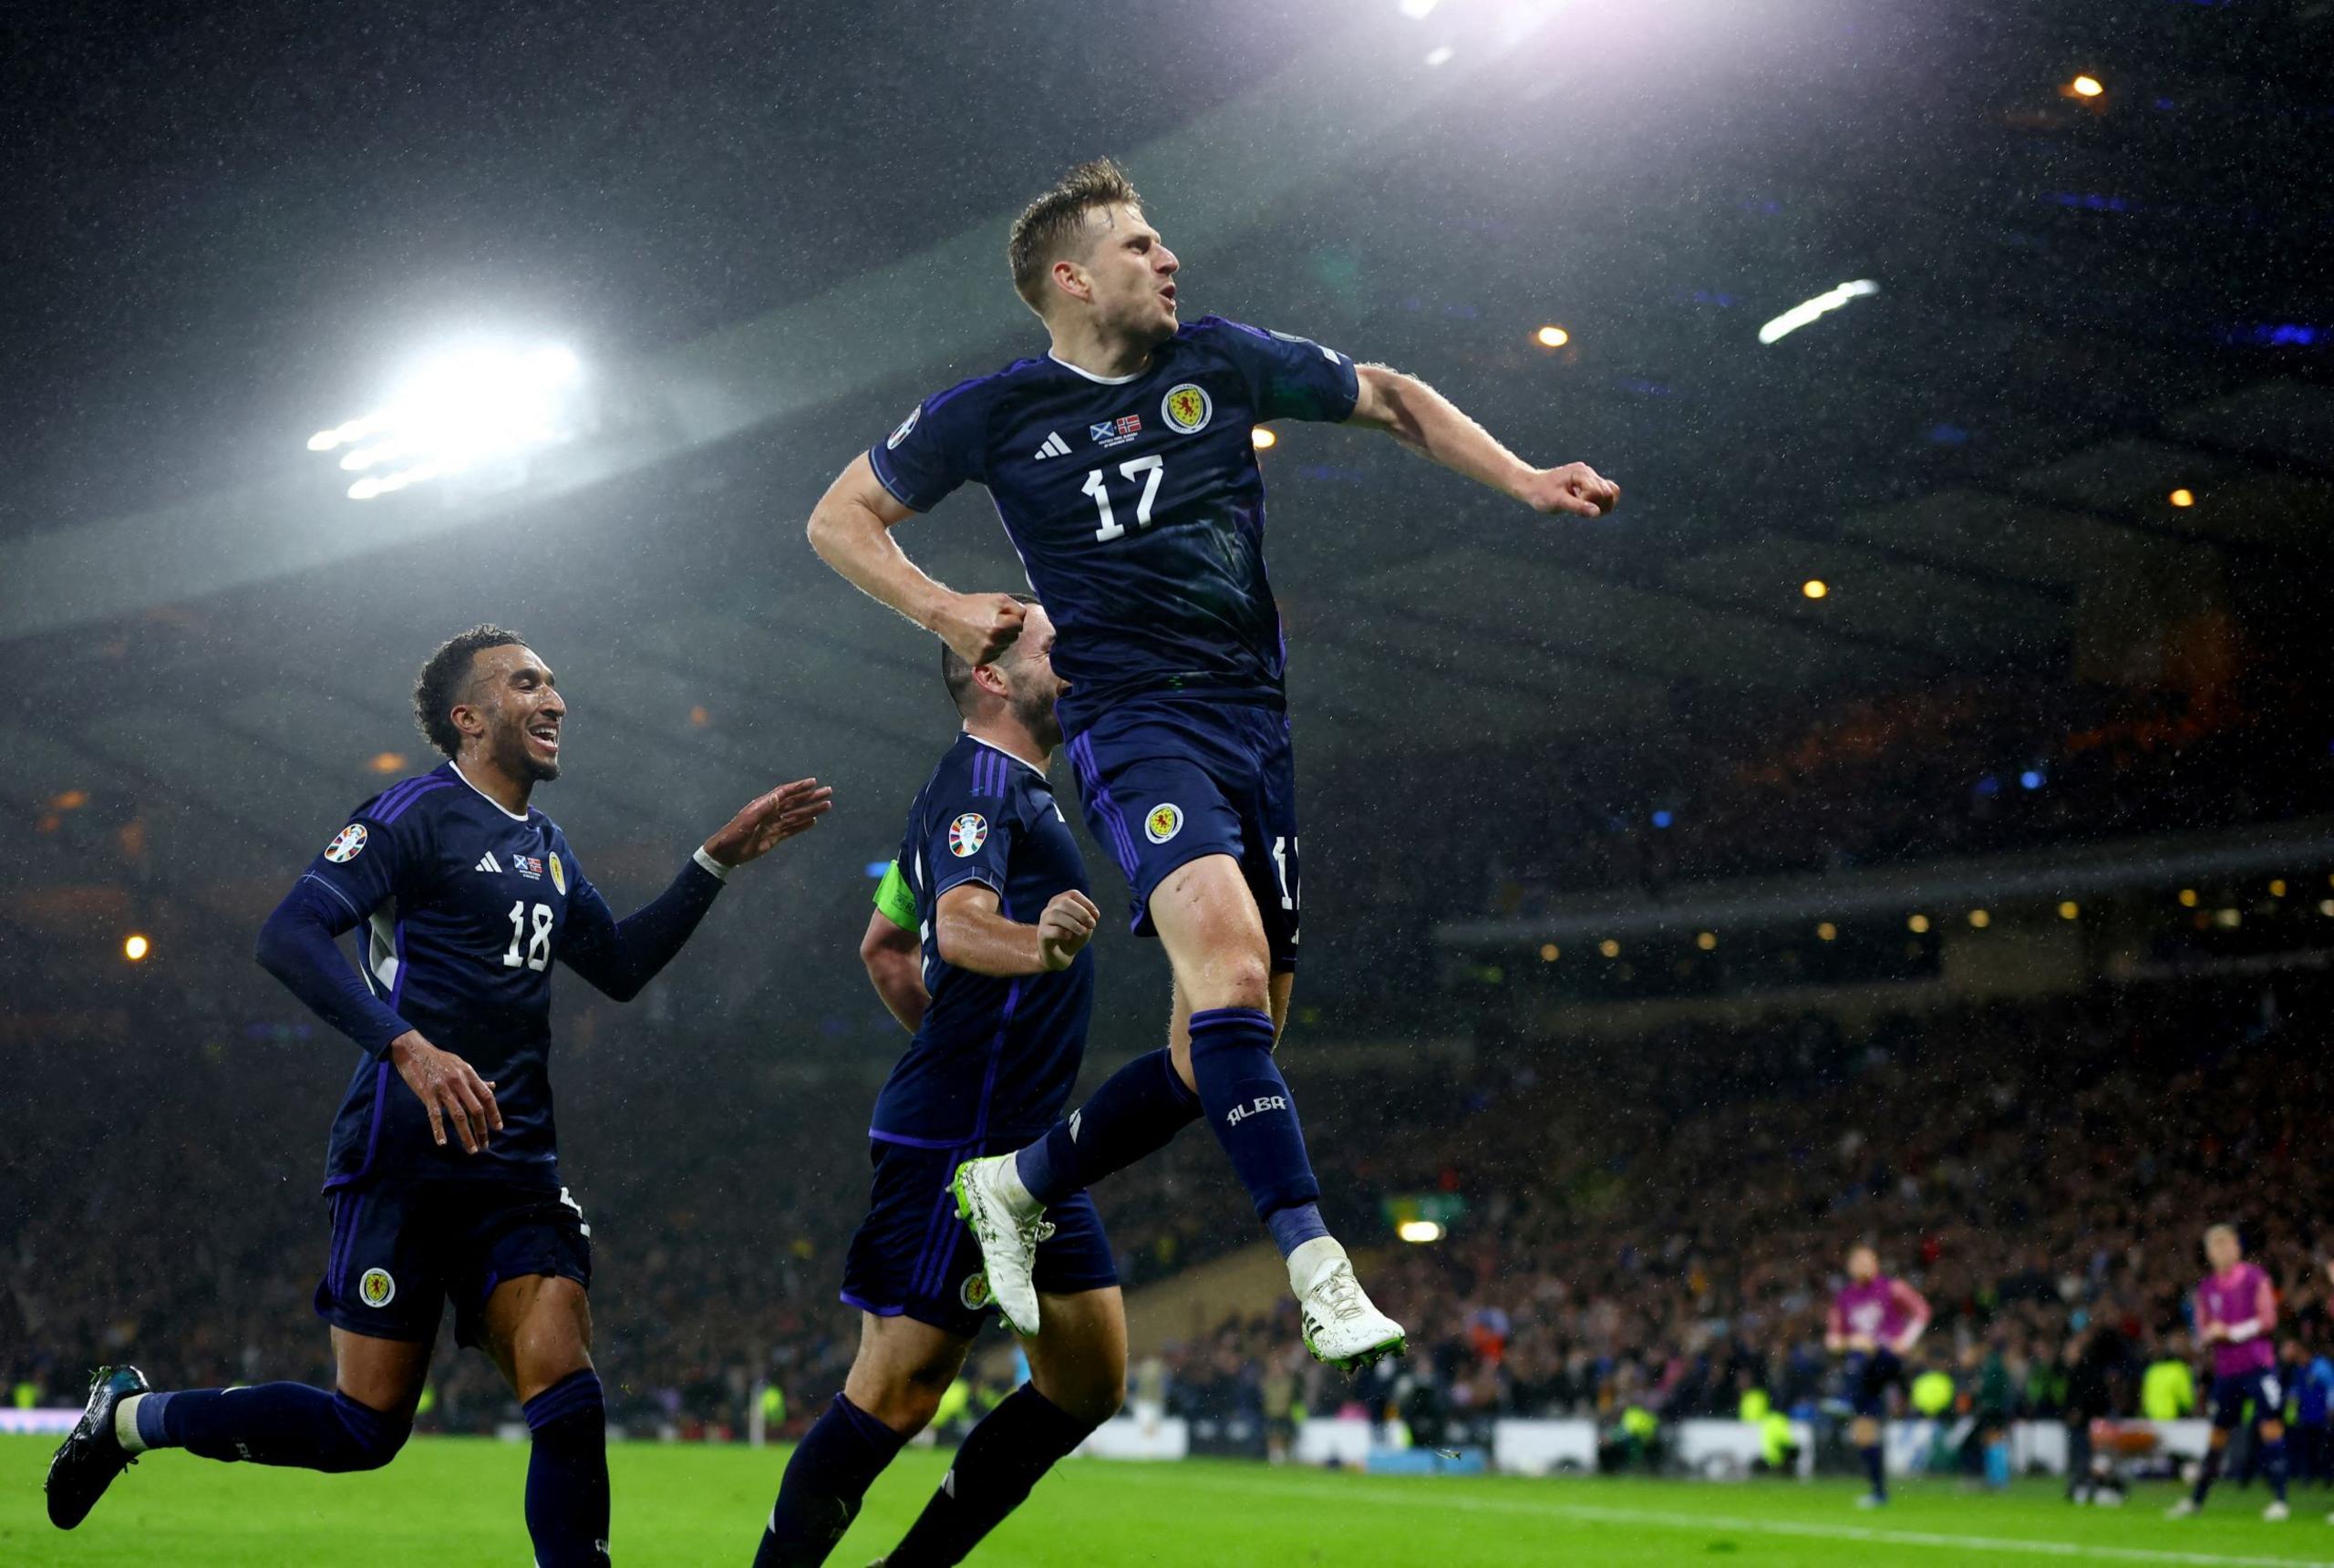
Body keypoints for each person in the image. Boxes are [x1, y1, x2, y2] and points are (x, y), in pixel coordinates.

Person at [805, 156, 1619, 1369]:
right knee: (1229, 973)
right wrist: (939, 609)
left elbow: (1392, 396)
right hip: (1133, 725)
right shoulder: (993, 413)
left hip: (1256, 728)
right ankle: (1316, 1262)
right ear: (1071, 277)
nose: (1169, 257)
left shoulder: (1221, 360)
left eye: (1165, 242)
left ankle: (1017, 1185)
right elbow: (838, 516)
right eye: (1140, 246)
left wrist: (1524, 480)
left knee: (1217, 1049)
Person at [44, 625, 831, 1564]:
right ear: (469, 717)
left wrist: (711, 863)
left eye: (555, 682)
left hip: (517, 1169)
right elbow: (289, 933)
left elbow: (617, 966)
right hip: (403, 1156)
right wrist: (408, 1046)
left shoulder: (545, 844)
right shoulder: (410, 815)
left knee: (567, 1391)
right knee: (362, 1431)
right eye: (527, 682)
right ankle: (131, 1419)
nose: (555, 700)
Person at [753, 602, 1126, 1567]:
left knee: (1087, 1382)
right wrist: (1032, 945)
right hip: (968, 1138)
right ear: (994, 676)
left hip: (1022, 1134)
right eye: (1054, 645)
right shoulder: (980, 785)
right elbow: (957, 926)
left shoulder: (1003, 789)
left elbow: (884, 948)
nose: (1072, 656)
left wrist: (963, 1039)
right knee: (898, 1389)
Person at [2169, 1223, 2289, 1522]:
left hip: (2257, 1366)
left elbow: (2268, 1320)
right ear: (2209, 1253)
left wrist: (2231, 1332)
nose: (2222, 1251)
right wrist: (2209, 1335)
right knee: (2218, 1435)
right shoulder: (2206, 1288)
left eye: (2226, 1244)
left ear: (2237, 1247)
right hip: (2227, 1371)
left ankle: (2280, 1500)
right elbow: (2201, 1332)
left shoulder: (2254, 1278)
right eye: (2216, 1246)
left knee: (2270, 1426)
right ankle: (2196, 1501)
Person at [1825, 1243, 1931, 1508]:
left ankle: (1847, 1398)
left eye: (1867, 1260)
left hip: (1889, 1360)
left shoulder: (1892, 1288)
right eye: (1857, 1261)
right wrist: (1848, 1342)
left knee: (1864, 1350)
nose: (1862, 1265)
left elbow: (1922, 1311)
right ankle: (1878, 1492)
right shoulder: (1844, 1298)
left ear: (1876, 1264)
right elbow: (1833, 1338)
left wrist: (1905, 1340)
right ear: (1850, 1267)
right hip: (1864, 1371)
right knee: (1865, 1431)